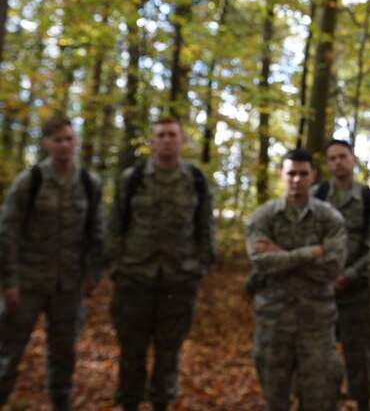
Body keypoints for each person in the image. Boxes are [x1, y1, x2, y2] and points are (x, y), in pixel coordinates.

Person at [106, 116, 215, 411]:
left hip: (179, 283)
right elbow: (115, 226)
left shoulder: (196, 180)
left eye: (172, 135)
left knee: (169, 355)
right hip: (134, 280)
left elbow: (205, 229)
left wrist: (200, 268)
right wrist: (116, 269)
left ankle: (161, 404)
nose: (166, 140)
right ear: (152, 142)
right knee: (131, 353)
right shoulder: (134, 179)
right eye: (160, 135)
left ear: (182, 141)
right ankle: (128, 403)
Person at [0, 115, 104, 411]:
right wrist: (9, 282)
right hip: (27, 283)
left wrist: (94, 273)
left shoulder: (88, 183)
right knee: (7, 352)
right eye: (57, 140)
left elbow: (97, 232)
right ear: (47, 143)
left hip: (68, 287)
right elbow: (7, 233)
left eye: (69, 139)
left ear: (77, 141)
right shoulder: (29, 181)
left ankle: (61, 403)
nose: (64, 145)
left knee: (63, 354)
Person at [247, 148, 347, 411]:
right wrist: (310, 253)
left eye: (303, 174)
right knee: (274, 400)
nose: (296, 179)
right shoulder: (264, 216)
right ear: (281, 174)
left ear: (313, 176)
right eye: (291, 173)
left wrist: (282, 254)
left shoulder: (329, 218)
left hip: (316, 325)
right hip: (273, 323)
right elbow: (260, 262)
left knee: (319, 400)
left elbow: (332, 267)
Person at [312, 139, 370, 411]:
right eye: (332, 158)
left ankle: (362, 403)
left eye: (343, 156)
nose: (338, 162)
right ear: (328, 163)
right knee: (319, 356)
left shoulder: (366, 198)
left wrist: (347, 276)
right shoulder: (316, 195)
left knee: (361, 359)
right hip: (319, 293)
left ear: (352, 159)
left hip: (358, 296)